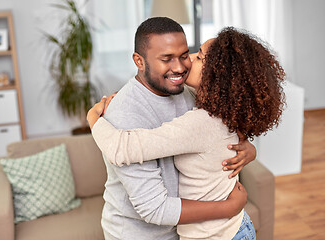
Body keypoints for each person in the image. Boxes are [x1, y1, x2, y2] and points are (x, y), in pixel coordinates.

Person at [88, 27, 285, 239]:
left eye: (195, 57)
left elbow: (123, 149)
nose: (186, 63)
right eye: (168, 58)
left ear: (219, 78)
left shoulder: (201, 116)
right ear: (139, 60)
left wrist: (93, 119)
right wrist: (247, 149)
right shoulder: (210, 108)